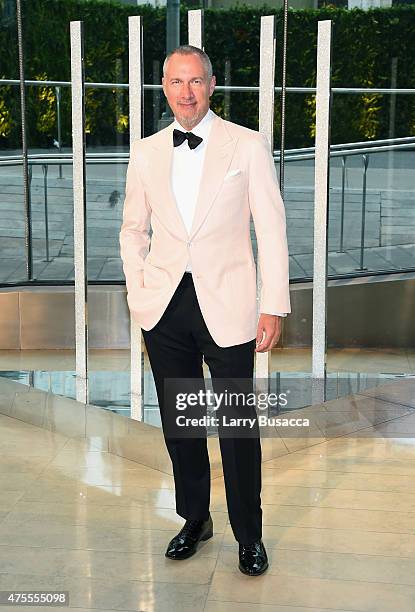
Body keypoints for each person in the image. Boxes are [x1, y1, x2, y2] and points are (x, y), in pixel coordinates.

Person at [119, 45, 291, 576]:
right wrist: (140, 290)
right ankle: (195, 519)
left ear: (212, 85)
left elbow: (272, 226)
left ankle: (249, 534)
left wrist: (274, 305)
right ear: (164, 88)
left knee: (238, 427)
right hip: (165, 307)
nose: (186, 92)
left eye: (195, 81)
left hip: (231, 304)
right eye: (176, 82)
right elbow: (133, 229)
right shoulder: (146, 151)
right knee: (182, 424)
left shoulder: (248, 145)